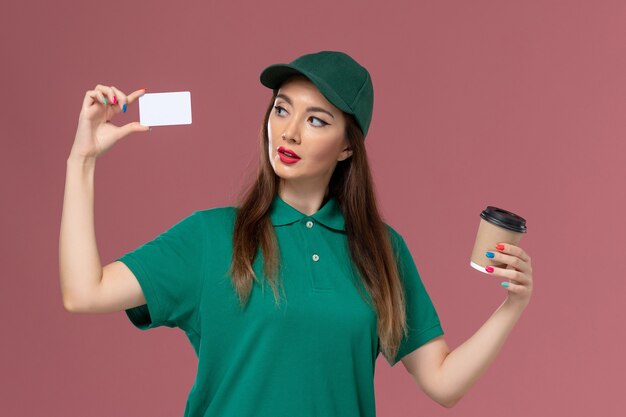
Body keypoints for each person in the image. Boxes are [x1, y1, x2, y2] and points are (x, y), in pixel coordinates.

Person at [59, 50, 534, 416]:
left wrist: (513, 304)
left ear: (347, 147)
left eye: (315, 120)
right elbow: (83, 292)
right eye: (282, 110)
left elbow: (444, 383)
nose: (288, 133)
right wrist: (81, 161)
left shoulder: (381, 251)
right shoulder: (210, 237)